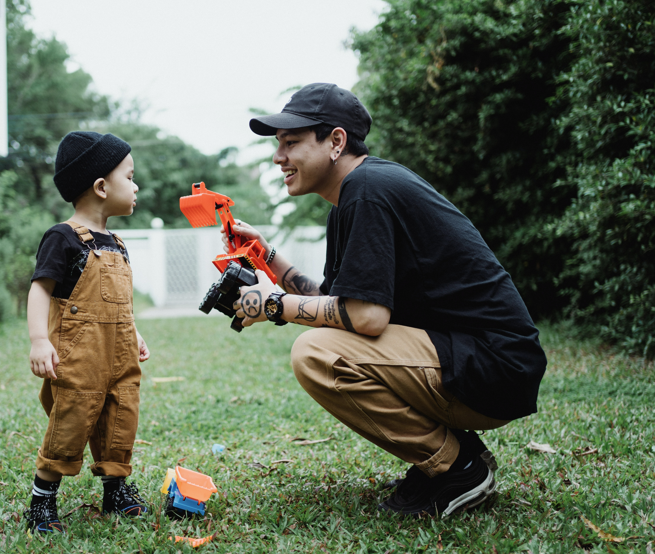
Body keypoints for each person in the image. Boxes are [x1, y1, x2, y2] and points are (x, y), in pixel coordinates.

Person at [229, 83, 547, 516]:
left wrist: (272, 305)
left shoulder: (368, 190)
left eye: (291, 143)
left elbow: (366, 317)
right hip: (477, 361)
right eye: (278, 145)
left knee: (316, 354)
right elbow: (336, 303)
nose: (278, 157)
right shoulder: (356, 196)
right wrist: (266, 254)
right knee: (325, 341)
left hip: (493, 366)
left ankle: (458, 468)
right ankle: (453, 455)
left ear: (336, 142)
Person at [25, 131, 151, 533]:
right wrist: (39, 340)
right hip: (79, 358)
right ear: (101, 187)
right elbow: (40, 288)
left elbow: (120, 302)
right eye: (129, 177)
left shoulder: (117, 242)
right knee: (71, 422)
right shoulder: (62, 238)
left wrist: (135, 333)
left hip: (119, 355)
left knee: (121, 418)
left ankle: (115, 490)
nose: (136, 186)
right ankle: (42, 502)